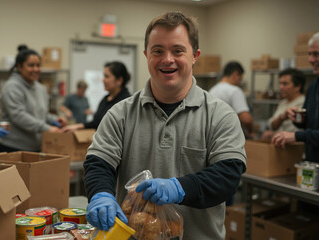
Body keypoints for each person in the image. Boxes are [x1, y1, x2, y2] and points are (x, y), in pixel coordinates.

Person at [83, 12, 246, 240]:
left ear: (195, 55)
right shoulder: (120, 114)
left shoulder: (220, 116)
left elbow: (227, 176)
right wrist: (101, 194)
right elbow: (98, 164)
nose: (167, 59)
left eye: (178, 51)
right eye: (157, 51)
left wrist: (179, 188)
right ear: (146, 55)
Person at [0, 45, 66, 152]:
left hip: (35, 147)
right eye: (31, 65)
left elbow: (40, 114)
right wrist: (47, 128)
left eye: (38, 65)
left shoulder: (40, 88)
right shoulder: (12, 87)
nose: (36, 69)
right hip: (14, 147)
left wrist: (54, 120)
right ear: (20, 67)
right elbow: (19, 116)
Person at [272, 32, 319, 163]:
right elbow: (309, 125)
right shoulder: (314, 86)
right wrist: (297, 118)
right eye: (310, 54)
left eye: (316, 54)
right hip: (312, 161)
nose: (310, 60)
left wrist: (296, 136)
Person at [61, 61, 131, 131]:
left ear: (119, 80)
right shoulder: (105, 100)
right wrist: (77, 126)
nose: (103, 80)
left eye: (107, 76)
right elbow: (96, 123)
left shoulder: (127, 102)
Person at [209, 61, 255, 138]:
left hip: (212, 135)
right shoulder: (235, 90)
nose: (239, 82)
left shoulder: (213, 90)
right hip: (228, 136)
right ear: (236, 75)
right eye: (240, 79)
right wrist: (251, 132)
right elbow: (246, 119)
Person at [260, 68, 305, 140]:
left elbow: (296, 131)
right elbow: (272, 125)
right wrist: (281, 118)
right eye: (280, 83)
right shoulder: (283, 103)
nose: (281, 87)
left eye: (285, 84)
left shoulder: (303, 103)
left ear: (298, 86)